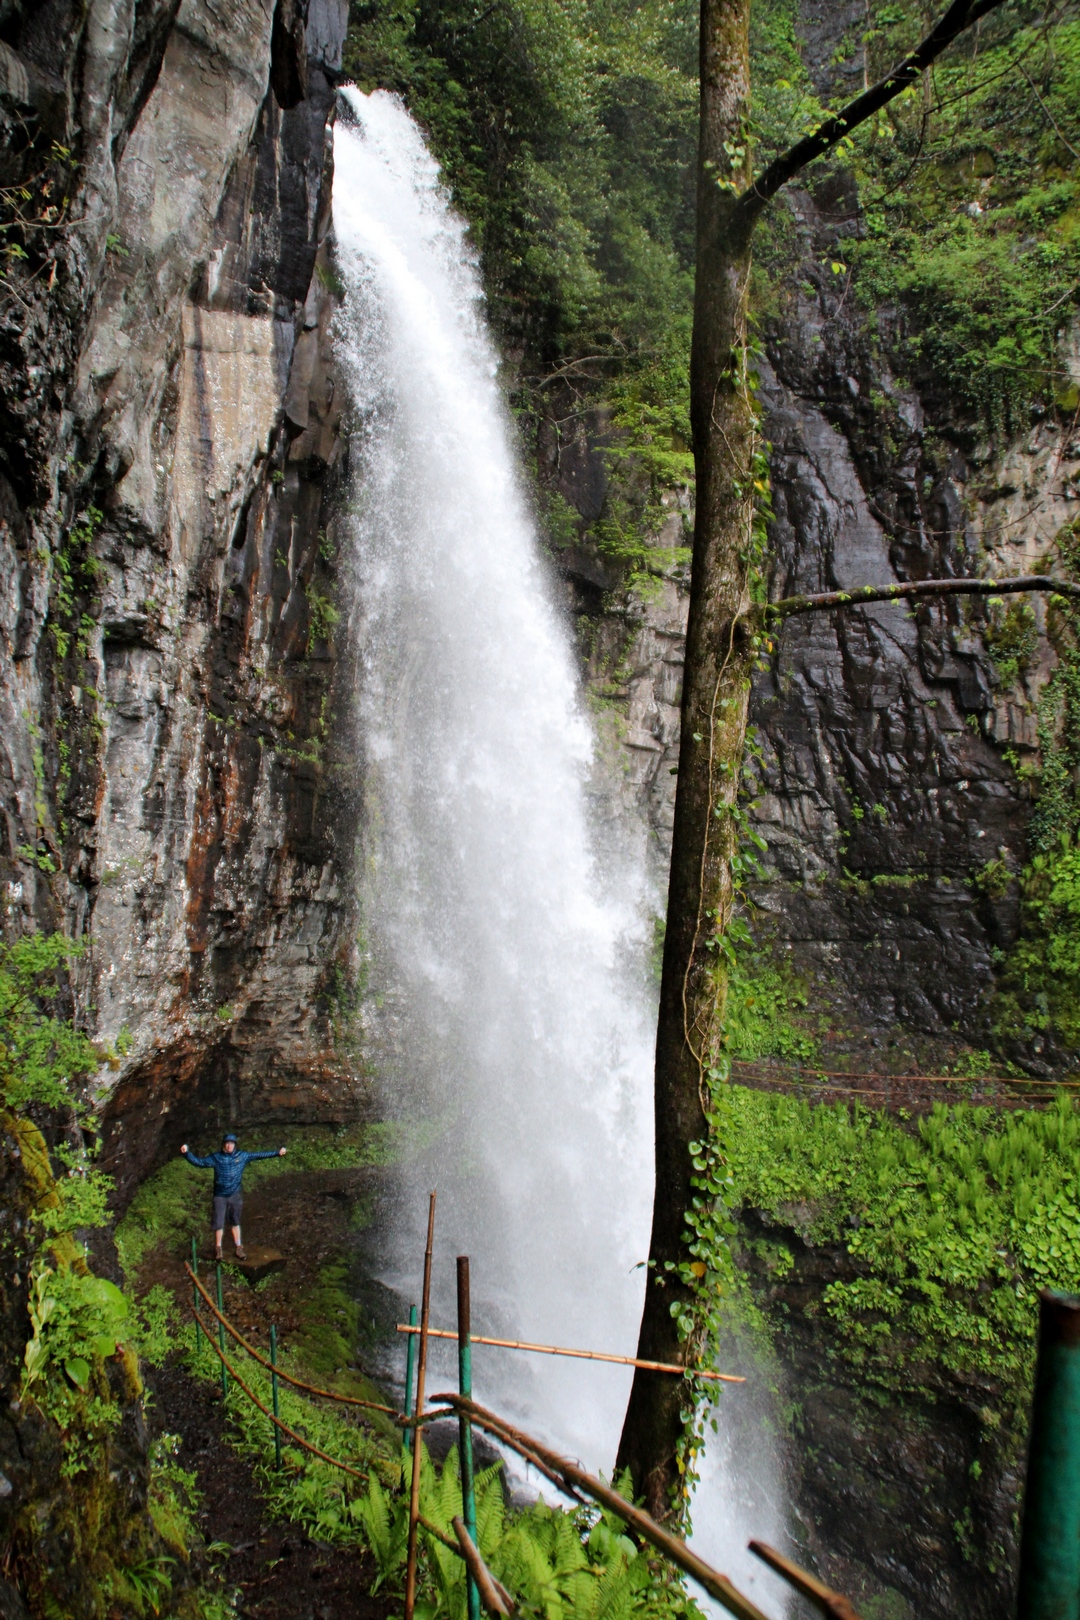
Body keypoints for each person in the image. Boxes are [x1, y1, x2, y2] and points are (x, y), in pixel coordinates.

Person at [180, 1133, 286, 1261]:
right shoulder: (217, 1157)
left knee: (235, 1221)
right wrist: (187, 1154)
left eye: (232, 1143)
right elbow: (200, 1162)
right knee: (218, 1222)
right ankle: (218, 1248)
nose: (229, 1145)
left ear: (235, 1144)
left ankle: (239, 1247)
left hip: (234, 1194)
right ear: (224, 1145)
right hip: (220, 1195)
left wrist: (277, 1153)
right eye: (227, 1143)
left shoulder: (242, 1156)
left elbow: (259, 1155)